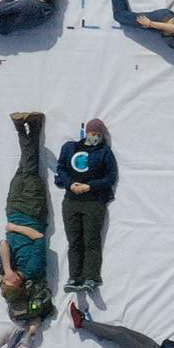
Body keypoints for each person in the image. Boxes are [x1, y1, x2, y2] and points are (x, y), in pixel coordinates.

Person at [0, 113, 53, 321]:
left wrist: (8, 268)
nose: (5, 278)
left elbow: (3, 244)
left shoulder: (6, 268)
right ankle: (22, 126)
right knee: (29, 167)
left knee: (23, 167)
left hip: (13, 209)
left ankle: (32, 127)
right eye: (8, 281)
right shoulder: (33, 269)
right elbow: (38, 237)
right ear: (18, 285)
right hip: (32, 211)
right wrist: (15, 229)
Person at [55, 118, 117, 295]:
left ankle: (91, 277)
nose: (95, 137)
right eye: (93, 133)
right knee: (74, 240)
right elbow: (61, 168)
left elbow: (111, 176)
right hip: (72, 200)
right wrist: (70, 184)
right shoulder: (70, 148)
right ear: (86, 133)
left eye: (98, 134)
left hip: (94, 201)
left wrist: (90, 186)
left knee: (91, 240)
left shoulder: (104, 152)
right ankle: (74, 277)